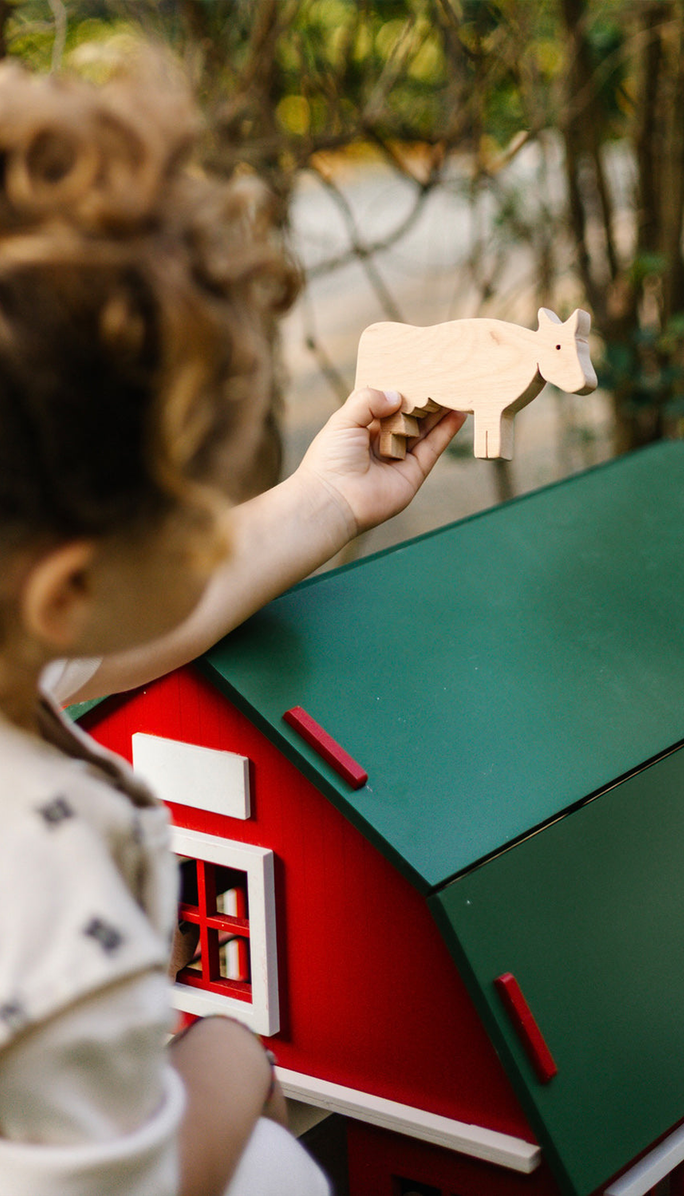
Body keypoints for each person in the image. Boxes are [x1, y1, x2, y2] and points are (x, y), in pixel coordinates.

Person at [0, 46, 465, 1196]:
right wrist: (229, 1064)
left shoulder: (20, 636)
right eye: (195, 511)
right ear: (65, 586)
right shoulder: (42, 872)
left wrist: (327, 498)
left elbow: (125, 627)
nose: (212, 532)